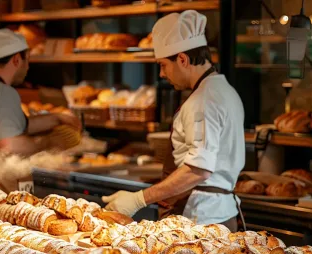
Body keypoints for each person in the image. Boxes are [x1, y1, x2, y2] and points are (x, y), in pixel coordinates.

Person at [102, 10, 246, 231]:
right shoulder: (224, 90)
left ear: (182, 59)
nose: (161, 74)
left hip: (202, 219)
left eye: (162, 65)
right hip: (219, 213)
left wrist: (139, 199)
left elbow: (198, 169)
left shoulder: (203, 100)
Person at [0, 29, 81, 204]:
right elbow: (12, 145)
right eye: (27, 60)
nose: (28, 67)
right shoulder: (2, 93)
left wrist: (56, 118)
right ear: (17, 59)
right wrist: (50, 143)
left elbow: (11, 126)